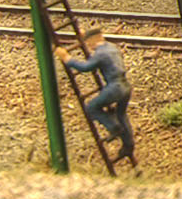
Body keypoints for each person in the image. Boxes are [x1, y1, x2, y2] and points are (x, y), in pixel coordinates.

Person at [53, 28, 134, 161]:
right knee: (121, 114)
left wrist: (67, 58)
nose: (88, 45)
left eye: (89, 42)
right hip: (125, 86)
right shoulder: (111, 47)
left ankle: (113, 127)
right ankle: (128, 145)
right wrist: (84, 33)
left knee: (91, 108)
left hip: (115, 87)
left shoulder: (100, 53)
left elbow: (85, 67)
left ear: (94, 39)